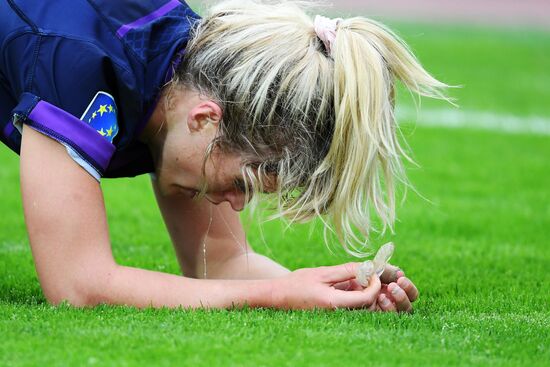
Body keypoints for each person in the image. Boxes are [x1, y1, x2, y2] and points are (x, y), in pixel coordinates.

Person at [0, 0, 445, 311]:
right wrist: (276, 296)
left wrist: (335, 291)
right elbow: (77, 284)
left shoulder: (194, 75)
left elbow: (221, 265)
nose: (237, 204)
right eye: (241, 182)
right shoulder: (76, 68)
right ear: (203, 120)